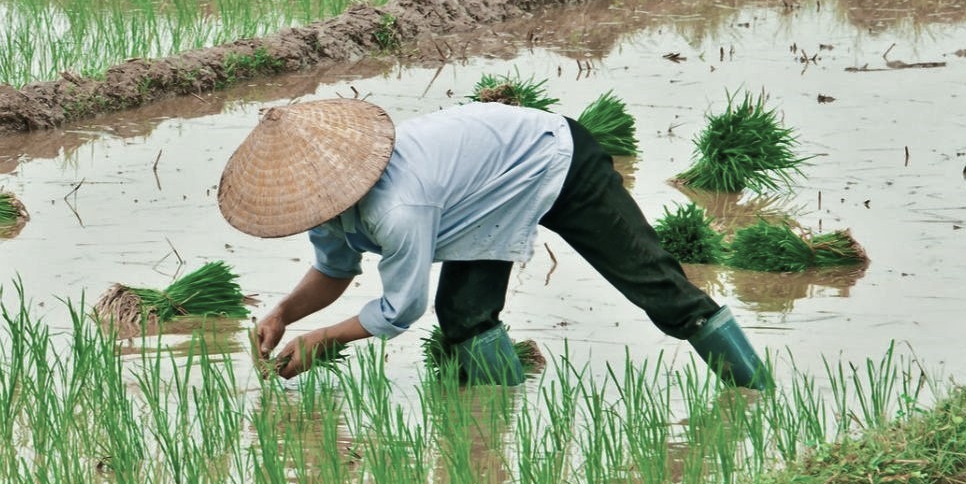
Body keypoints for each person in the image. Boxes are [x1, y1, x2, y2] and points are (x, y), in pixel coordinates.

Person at [217, 98, 770, 388]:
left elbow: (401, 308)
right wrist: (285, 313)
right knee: (464, 317)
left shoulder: (397, 206)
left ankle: (758, 397)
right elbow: (334, 271)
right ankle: (500, 424)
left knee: (660, 291)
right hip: (485, 199)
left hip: (553, 160)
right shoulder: (326, 205)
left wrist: (323, 339)